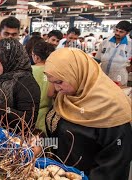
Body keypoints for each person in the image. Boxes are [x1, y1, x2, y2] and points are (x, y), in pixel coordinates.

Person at [44, 48, 132, 180]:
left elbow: (115, 164)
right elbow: (61, 137)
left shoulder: (112, 108)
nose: (56, 88)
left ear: (77, 73)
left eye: (59, 82)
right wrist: (42, 143)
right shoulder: (68, 96)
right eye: (53, 82)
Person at [95, 21, 132, 86]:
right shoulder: (105, 42)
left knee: (116, 95)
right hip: (102, 77)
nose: (117, 33)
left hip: (119, 80)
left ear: (127, 33)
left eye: (121, 32)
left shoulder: (130, 45)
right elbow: (96, 60)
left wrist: (128, 70)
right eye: (116, 30)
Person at [31, 41, 55, 135]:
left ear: (36, 57)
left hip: (30, 113)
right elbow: (51, 93)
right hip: (47, 112)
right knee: (45, 140)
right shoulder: (53, 71)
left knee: (31, 142)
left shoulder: (28, 70)